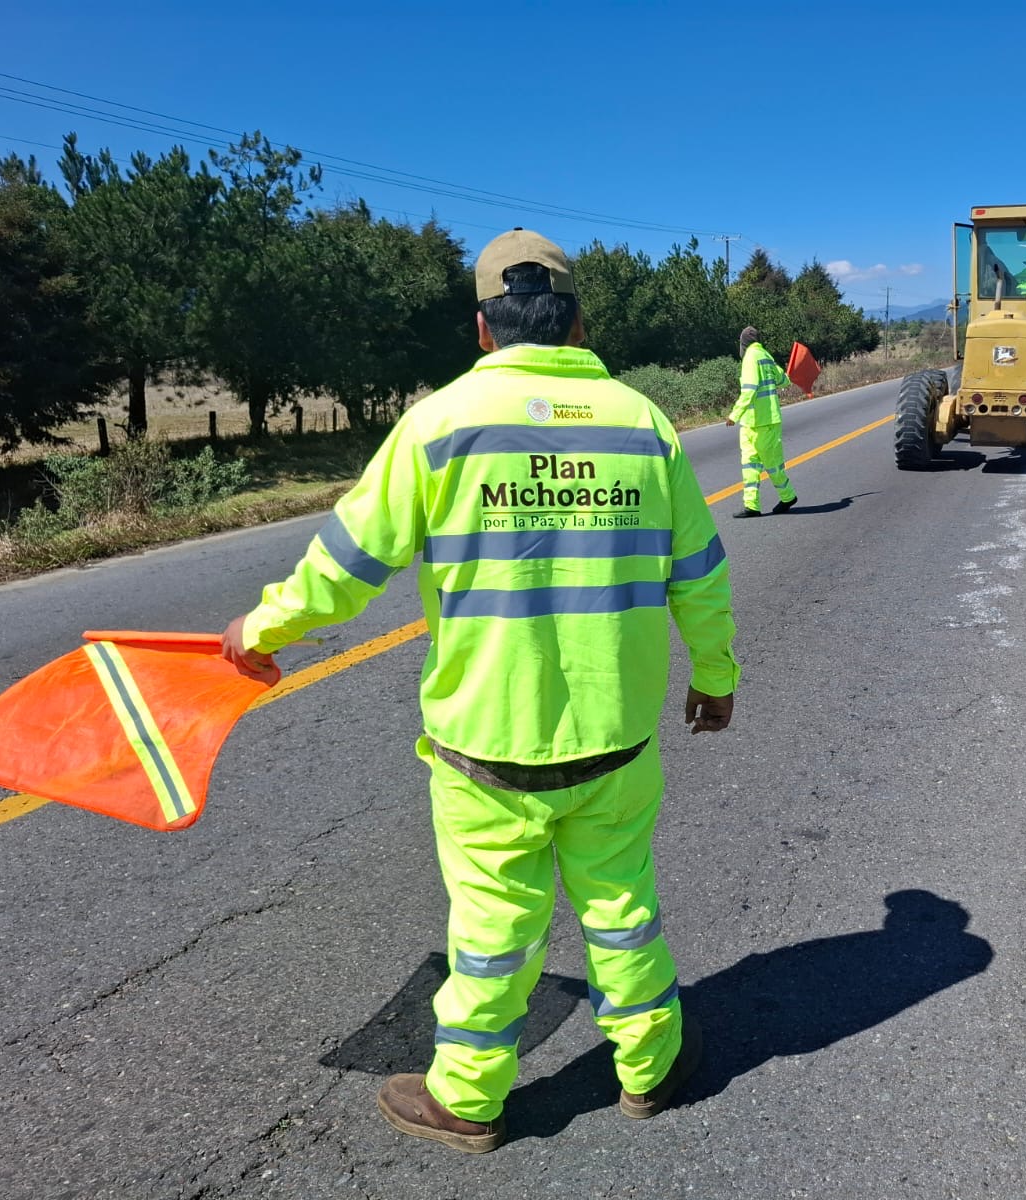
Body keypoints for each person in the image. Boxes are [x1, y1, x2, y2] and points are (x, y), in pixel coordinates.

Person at [220, 228, 739, 1154]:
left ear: (484, 328)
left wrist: (258, 633)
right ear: (577, 319)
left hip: (487, 747)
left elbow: (345, 566)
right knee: (621, 904)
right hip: (614, 737)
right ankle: (652, 1066)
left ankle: (467, 1096)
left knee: (495, 924)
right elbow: (698, 572)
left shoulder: (439, 423)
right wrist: (716, 676)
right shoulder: (641, 423)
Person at [725, 326, 798, 518]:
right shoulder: (765, 355)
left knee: (771, 465)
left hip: (762, 422)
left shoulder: (750, 357)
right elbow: (783, 380)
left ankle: (788, 496)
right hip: (754, 422)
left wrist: (734, 414)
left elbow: (749, 389)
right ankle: (751, 506)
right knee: (750, 465)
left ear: (743, 343)